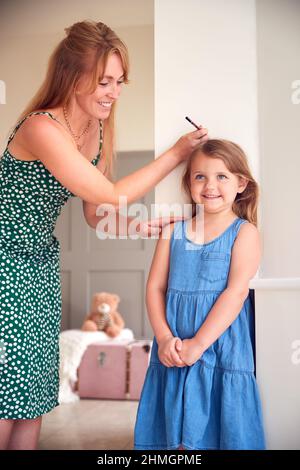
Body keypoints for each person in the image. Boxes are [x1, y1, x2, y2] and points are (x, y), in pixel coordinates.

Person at [0, 20, 208, 450]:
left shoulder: (96, 130)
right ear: (72, 78)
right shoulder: (41, 128)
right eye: (103, 81)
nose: (113, 92)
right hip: (6, 263)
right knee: (6, 398)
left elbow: (97, 214)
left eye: (118, 81)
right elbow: (112, 193)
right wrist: (176, 154)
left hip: (39, 267)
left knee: (32, 399)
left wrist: (138, 225)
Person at [134, 139, 266, 450]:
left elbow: (236, 293)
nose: (210, 185)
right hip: (175, 345)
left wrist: (199, 344)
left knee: (221, 434)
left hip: (220, 345)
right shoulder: (173, 232)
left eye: (222, 176)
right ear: (189, 183)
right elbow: (155, 287)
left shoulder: (244, 232)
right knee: (176, 438)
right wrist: (164, 338)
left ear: (241, 183)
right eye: (200, 176)